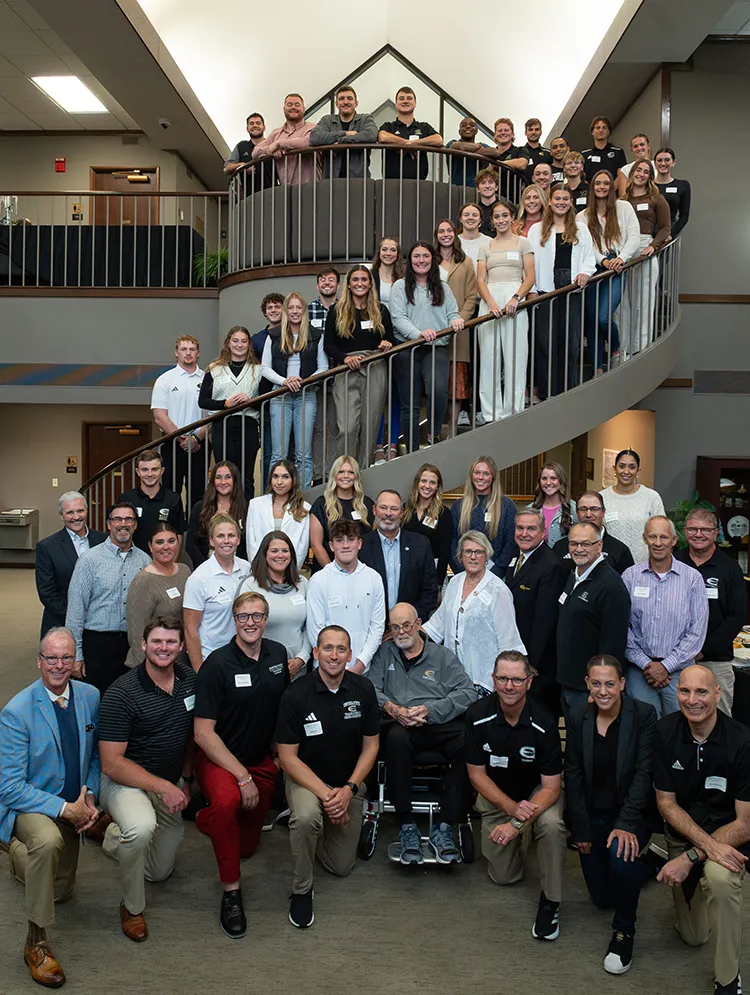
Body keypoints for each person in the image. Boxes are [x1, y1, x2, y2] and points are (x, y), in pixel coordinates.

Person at [0, 627, 100, 988]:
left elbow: (95, 757)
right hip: (30, 804)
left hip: (74, 801)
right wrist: (64, 809)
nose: (59, 665)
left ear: (75, 661)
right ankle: (35, 942)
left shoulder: (90, 695)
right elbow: (9, 787)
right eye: (51, 658)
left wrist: (89, 796)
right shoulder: (16, 712)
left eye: (66, 658)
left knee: (62, 892)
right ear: (39, 661)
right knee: (47, 842)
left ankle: (14, 856)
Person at [194, 592, 289, 937]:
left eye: (257, 616)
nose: (250, 622)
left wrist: (278, 758)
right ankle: (231, 894)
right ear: (234, 620)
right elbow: (203, 734)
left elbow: (283, 711)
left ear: (266, 619)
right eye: (243, 616)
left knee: (246, 847)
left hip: (261, 760)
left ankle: (205, 817)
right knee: (228, 802)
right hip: (220, 760)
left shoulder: (278, 655)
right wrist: (242, 776)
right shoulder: (217, 665)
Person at [654, 665, 750, 995]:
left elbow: (745, 823)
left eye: (702, 692)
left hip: (728, 840)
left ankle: (727, 979)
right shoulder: (665, 732)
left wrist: (693, 856)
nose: (692, 700)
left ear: (718, 694)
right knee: (694, 937)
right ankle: (698, 898)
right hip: (684, 839)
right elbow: (666, 803)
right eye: (685, 691)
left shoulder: (742, 741)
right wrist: (692, 852)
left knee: (721, 881)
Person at [98, 616, 195, 942]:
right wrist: (164, 787)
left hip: (168, 780)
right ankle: (131, 907)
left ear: (181, 647)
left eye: (171, 642)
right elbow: (111, 764)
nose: (163, 648)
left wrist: (185, 779)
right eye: (156, 641)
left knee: (158, 872)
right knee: (140, 829)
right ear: (143, 645)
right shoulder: (121, 693)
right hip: (125, 782)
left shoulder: (189, 681)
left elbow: (191, 735)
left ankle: (111, 833)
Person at [276, 625, 380, 928]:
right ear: (315, 653)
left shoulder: (364, 689)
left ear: (350, 655)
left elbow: (372, 746)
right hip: (306, 781)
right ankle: (302, 890)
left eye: (341, 649)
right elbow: (287, 758)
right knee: (307, 818)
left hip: (348, 784)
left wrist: (348, 790)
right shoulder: (295, 694)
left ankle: (307, 829)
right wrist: (327, 796)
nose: (334, 655)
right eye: (327, 648)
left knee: (341, 866)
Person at [565, 655, 658, 975]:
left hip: (631, 815)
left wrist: (625, 825)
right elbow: (573, 775)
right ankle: (646, 867)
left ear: (622, 684)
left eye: (610, 683)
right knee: (603, 898)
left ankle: (624, 932)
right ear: (587, 685)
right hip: (593, 816)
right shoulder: (578, 716)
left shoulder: (643, 715)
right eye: (596, 683)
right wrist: (581, 830)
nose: (603, 690)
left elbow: (644, 774)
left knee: (621, 857)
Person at [465, 650, 566, 941]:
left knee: (551, 825)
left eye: (517, 680)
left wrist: (516, 824)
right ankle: (526, 839)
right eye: (503, 679)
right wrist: (511, 811)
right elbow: (476, 775)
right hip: (499, 797)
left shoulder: (544, 721)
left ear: (529, 682)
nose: (510, 686)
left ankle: (551, 902)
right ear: (493, 680)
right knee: (503, 877)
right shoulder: (476, 715)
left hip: (537, 795)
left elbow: (551, 788)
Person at [368, 602, 475, 864]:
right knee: (394, 740)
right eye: (395, 627)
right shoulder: (384, 654)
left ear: (418, 625)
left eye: (406, 625)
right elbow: (370, 689)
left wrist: (429, 710)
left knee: (468, 742)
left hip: (436, 723)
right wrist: (393, 709)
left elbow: (467, 692)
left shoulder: (442, 656)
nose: (402, 631)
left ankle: (446, 826)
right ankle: (406, 825)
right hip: (400, 725)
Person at [622, 515, 709, 717]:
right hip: (639, 671)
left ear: (674, 540)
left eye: (664, 537)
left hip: (680, 671)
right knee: (645, 730)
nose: (658, 543)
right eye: (652, 537)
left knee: (680, 729)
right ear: (644, 538)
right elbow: (621, 626)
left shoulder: (692, 579)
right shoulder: (629, 577)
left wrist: (665, 666)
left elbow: (697, 631)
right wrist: (646, 664)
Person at [424, 530, 525, 695]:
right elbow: (439, 622)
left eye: (479, 552)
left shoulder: (498, 590)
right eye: (468, 552)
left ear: (487, 556)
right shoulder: (455, 582)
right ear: (461, 556)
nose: (473, 557)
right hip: (452, 677)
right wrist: (410, 632)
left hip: (483, 679)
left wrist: (505, 680)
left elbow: (508, 639)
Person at [65, 502, 150, 693]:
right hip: (97, 645)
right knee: (96, 701)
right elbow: (76, 610)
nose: (123, 524)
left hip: (132, 645)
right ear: (108, 524)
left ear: (135, 524)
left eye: (129, 519)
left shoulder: (145, 561)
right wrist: (76, 655)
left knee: (129, 700)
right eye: (117, 519)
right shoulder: (89, 560)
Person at [389, 241, 464, 451]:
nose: (421, 260)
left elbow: (452, 313)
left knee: (439, 390)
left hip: (436, 348)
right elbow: (398, 318)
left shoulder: (443, 287)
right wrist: (418, 334)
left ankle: (433, 434)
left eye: (425, 256)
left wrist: (456, 320)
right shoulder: (399, 286)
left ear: (433, 259)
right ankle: (412, 450)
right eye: (416, 256)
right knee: (410, 405)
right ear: (409, 260)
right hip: (407, 349)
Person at [556, 521, 631, 717]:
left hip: (589, 690)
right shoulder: (575, 575)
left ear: (599, 546)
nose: (578, 549)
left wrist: (598, 689)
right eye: (573, 544)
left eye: (585, 544)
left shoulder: (611, 586)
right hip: (569, 683)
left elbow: (613, 643)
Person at [528, 184, 596, 399]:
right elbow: (529, 262)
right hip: (545, 290)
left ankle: (569, 393)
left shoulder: (581, 228)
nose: (561, 202)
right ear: (549, 201)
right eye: (557, 198)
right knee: (546, 343)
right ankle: (548, 394)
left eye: (565, 199)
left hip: (572, 289)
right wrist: (531, 290)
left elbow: (589, 258)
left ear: (571, 202)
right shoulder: (536, 229)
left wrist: (584, 273)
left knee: (570, 342)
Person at [676, 509, 746, 715]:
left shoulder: (730, 568)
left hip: (715, 660)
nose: (698, 534)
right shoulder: (674, 561)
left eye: (705, 530)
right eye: (693, 529)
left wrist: (702, 649)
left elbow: (737, 616)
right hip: (675, 658)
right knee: (677, 720)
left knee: (719, 718)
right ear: (684, 531)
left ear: (716, 533)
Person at [324, 266, 395, 467]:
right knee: (347, 428)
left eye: (364, 279)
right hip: (346, 370)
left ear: (370, 283)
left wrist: (387, 345)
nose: (360, 283)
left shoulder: (381, 310)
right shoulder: (336, 310)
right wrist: (345, 358)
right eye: (355, 279)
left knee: (369, 427)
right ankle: (343, 473)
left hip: (375, 367)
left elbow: (390, 340)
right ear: (348, 284)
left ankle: (363, 477)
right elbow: (328, 344)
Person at [504, 509, 568, 716]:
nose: (524, 533)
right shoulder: (516, 555)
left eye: (531, 529)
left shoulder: (551, 565)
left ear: (543, 533)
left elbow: (545, 619)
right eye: (520, 528)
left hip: (535, 664)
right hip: (514, 652)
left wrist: (532, 662)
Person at [261, 292, 328, 489]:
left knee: (303, 454)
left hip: (306, 396)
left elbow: (323, 367)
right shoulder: (272, 336)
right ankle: (275, 495)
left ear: (304, 311)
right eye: (291, 308)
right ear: (285, 311)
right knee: (278, 453)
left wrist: (302, 382)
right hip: (279, 396)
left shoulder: (316, 336)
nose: (295, 311)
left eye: (299, 307)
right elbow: (264, 367)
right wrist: (285, 381)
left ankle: (303, 496)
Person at [476, 200, 535, 421]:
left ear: (512, 218)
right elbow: (480, 280)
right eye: (496, 217)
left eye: (504, 216)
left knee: (516, 355)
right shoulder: (485, 247)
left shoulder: (523, 243)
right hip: (489, 300)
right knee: (489, 357)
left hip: (514, 298)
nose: (500, 220)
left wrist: (516, 298)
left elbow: (530, 276)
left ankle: (513, 411)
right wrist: (490, 302)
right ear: (492, 221)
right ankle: (491, 413)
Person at [578, 170, 640, 375]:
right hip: (594, 270)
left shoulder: (624, 207)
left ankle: (614, 348)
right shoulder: (582, 216)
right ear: (592, 187)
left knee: (604, 317)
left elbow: (634, 237)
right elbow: (586, 246)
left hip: (617, 268)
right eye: (598, 183)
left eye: (606, 183)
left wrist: (621, 258)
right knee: (592, 319)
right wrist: (603, 260)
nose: (602, 187)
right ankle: (597, 368)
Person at [306, 519, 385, 674]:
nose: (346, 545)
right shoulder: (319, 580)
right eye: (339, 540)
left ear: (359, 544)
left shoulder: (373, 578)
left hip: (363, 669)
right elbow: (315, 629)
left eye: (351, 540)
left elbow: (377, 627)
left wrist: (361, 663)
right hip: (326, 669)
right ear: (331, 546)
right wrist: (335, 663)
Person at [199, 325, 262, 499]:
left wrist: (250, 402)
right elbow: (202, 401)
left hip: (248, 424)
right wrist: (226, 403)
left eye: (244, 341)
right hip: (222, 424)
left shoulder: (257, 370)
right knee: (224, 473)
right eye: (235, 341)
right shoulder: (215, 369)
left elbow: (265, 402)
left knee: (246, 475)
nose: (239, 345)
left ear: (249, 344)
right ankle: (224, 512)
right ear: (228, 343)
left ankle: (246, 517)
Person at [183, 513, 251, 671]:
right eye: (220, 536)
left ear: (238, 540)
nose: (226, 541)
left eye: (231, 535)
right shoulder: (199, 578)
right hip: (212, 659)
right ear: (211, 541)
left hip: (245, 656)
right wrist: (200, 671)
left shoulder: (247, 569)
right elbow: (190, 630)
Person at [238, 532, 311, 679]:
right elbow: (244, 627)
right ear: (264, 554)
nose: (280, 555)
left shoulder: (303, 583)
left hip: (297, 668)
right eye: (274, 551)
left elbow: (310, 626)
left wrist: (302, 658)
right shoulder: (251, 585)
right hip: (261, 667)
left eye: (285, 551)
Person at [360, 489, 438, 621]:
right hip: (370, 626)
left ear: (402, 512)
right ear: (374, 510)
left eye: (394, 509)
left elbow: (429, 591)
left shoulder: (420, 544)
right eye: (383, 508)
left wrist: (406, 623)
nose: (388, 514)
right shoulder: (361, 546)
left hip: (410, 629)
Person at [35, 491, 106, 637]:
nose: (76, 517)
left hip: (101, 621)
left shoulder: (104, 540)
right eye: (69, 512)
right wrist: (75, 616)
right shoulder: (47, 547)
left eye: (80, 511)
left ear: (87, 511)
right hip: (62, 619)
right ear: (61, 516)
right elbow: (47, 592)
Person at [151, 335, 208, 507]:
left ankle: (195, 533)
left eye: (192, 349)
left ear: (198, 353)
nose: (188, 353)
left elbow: (214, 415)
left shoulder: (208, 379)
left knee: (199, 495)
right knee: (170, 492)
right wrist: (183, 439)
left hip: (201, 443)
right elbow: (159, 416)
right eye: (184, 349)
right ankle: (170, 533)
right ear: (176, 353)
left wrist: (196, 438)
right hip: (172, 444)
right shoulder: (165, 380)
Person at [621, 160, 671, 356]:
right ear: (632, 172)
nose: (641, 174)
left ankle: (640, 349)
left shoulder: (656, 199)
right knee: (625, 302)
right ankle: (625, 349)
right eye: (638, 170)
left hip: (645, 248)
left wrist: (653, 246)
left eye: (646, 172)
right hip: (625, 250)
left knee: (645, 300)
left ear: (650, 177)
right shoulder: (623, 200)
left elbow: (666, 227)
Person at [125, 523, 191, 668]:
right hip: (152, 664)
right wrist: (146, 671)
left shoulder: (185, 572)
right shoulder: (143, 581)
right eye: (159, 542)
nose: (166, 547)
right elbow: (136, 634)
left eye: (171, 541)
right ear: (150, 546)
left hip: (180, 661)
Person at [435, 218, 477, 429]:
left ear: (455, 233)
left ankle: (452, 427)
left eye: (449, 230)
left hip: (459, 327)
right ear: (436, 235)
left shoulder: (466, 261)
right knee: (437, 378)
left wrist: (461, 318)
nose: (445, 234)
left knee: (457, 378)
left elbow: (472, 296)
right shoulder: (429, 260)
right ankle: (437, 426)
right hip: (434, 326)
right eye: (441, 231)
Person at [450, 455, 517, 576]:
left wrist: (497, 571)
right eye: (477, 473)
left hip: (497, 575)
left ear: (493, 477)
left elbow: (510, 543)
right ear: (471, 476)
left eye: (486, 474)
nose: (480, 477)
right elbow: (453, 541)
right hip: (465, 574)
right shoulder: (458, 506)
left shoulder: (506, 506)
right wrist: (462, 571)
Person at [309, 454, 374, 572]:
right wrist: (335, 573)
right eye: (341, 472)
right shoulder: (321, 504)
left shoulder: (366, 505)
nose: (346, 476)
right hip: (328, 572)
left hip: (360, 572)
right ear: (334, 475)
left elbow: (373, 542)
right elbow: (316, 545)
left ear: (356, 476)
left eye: (351, 472)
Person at [370, 237, 404, 463]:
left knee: (396, 395)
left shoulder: (403, 277)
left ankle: (393, 444)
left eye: (393, 250)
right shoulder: (370, 277)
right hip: (377, 339)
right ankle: (377, 445)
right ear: (379, 252)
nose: (388, 253)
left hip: (401, 339)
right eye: (385, 249)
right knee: (377, 395)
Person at [601, 449, 666, 562]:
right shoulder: (602, 497)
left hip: (644, 565)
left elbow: (662, 532)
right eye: (622, 466)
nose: (626, 471)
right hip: (611, 565)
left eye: (632, 467)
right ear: (614, 468)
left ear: (638, 470)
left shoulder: (651, 497)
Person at [245, 459, 310, 571]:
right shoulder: (255, 504)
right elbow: (251, 542)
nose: (279, 482)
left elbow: (302, 546)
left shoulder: (304, 508)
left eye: (285, 477)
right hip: (260, 570)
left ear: (293, 480)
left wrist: (291, 572)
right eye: (275, 476)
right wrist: (258, 568)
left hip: (290, 571)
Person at [118, 448, 186, 553]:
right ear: (138, 472)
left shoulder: (173, 498)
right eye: (144, 470)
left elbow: (179, 534)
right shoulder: (126, 499)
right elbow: (120, 530)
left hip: (163, 558)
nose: (150, 474)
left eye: (154, 469)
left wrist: (171, 562)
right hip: (132, 559)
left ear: (162, 471)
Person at [553, 489, 635, 575]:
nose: (588, 514)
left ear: (603, 512)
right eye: (583, 509)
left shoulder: (620, 550)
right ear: (577, 513)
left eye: (594, 509)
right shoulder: (560, 547)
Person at [308, 268, 341, 481]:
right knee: (317, 429)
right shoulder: (307, 310)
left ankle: (333, 474)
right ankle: (318, 475)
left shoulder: (345, 308)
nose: (326, 283)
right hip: (315, 379)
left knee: (337, 428)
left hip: (340, 376)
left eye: (331, 280)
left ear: (338, 285)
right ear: (317, 285)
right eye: (322, 280)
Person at [186, 460, 248, 568]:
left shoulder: (245, 509)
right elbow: (190, 544)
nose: (223, 482)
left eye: (228, 477)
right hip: (205, 567)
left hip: (237, 568)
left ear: (235, 480)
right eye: (218, 477)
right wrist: (205, 566)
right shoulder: (200, 508)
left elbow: (248, 543)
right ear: (213, 481)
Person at [402, 463, 453, 585]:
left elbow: (445, 552)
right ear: (417, 483)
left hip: (432, 571)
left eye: (432, 482)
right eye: (423, 481)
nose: (427, 486)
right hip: (406, 569)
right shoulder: (405, 509)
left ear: (437, 487)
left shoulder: (443, 513)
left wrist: (438, 584)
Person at [310, 86, 377, 178]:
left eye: (350, 98)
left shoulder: (365, 119)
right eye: (341, 99)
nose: (345, 102)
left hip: (359, 182)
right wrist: (344, 133)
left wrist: (342, 141)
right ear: (336, 103)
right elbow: (314, 137)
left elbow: (371, 134)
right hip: (331, 182)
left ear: (356, 103)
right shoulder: (327, 120)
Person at [253, 292, 284, 488]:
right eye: (270, 307)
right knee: (269, 452)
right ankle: (267, 491)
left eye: (277, 306)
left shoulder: (294, 334)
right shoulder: (257, 339)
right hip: (265, 403)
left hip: (291, 398)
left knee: (289, 451)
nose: (273, 310)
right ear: (265, 312)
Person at [378, 87, 442, 181]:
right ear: (396, 103)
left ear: (415, 103)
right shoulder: (389, 126)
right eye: (401, 98)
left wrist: (413, 144)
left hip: (419, 185)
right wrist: (406, 143)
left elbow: (438, 140)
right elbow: (382, 137)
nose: (405, 101)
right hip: (391, 184)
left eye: (409, 98)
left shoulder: (423, 127)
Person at [251, 93, 316, 186]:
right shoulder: (276, 133)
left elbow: (307, 142)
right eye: (289, 105)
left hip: (311, 190)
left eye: (297, 105)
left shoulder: (313, 127)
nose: (293, 107)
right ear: (284, 109)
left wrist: (278, 144)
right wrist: (270, 150)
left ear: (304, 109)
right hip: (286, 192)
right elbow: (255, 152)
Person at [223, 112, 276, 190]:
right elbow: (226, 169)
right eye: (251, 123)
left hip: (273, 193)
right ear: (247, 129)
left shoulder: (272, 145)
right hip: (249, 197)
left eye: (258, 123)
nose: (255, 125)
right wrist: (243, 165)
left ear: (264, 127)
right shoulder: (241, 146)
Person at [529, 461, 577, 545]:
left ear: (561, 481)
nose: (548, 482)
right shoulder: (530, 510)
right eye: (544, 478)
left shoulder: (574, 508)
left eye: (553, 478)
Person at [485, 117, 529, 200]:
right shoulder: (489, 153)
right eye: (500, 130)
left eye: (506, 130)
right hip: (491, 200)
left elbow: (522, 164)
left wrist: (497, 164)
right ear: (495, 135)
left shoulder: (520, 150)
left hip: (513, 200)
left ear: (512, 134)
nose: (503, 133)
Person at [654, 147, 691, 238]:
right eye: (659, 160)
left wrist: (671, 235)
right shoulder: (648, 186)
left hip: (669, 233)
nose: (663, 163)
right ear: (655, 164)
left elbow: (684, 216)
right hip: (648, 233)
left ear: (673, 163)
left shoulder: (682, 185)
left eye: (667, 160)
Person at [446, 116, 492, 187]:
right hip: (454, 188)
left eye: (472, 125)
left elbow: (495, 152)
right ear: (459, 131)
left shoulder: (483, 145)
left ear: (476, 130)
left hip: (477, 189)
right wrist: (478, 147)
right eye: (464, 125)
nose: (468, 126)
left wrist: (471, 149)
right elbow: (460, 147)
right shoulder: (452, 143)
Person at [582, 116, 627, 181]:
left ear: (608, 132)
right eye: (598, 128)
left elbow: (621, 175)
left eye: (604, 128)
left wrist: (611, 189)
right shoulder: (584, 155)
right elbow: (581, 177)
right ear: (592, 132)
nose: (601, 130)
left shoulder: (618, 152)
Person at [457, 201, 492, 268]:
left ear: (480, 219)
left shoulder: (490, 242)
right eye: (466, 215)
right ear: (461, 219)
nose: (470, 217)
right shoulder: (454, 242)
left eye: (475, 215)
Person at [521, 117, 552, 183]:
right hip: (525, 191)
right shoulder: (519, 153)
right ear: (525, 132)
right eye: (530, 130)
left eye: (537, 129)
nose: (533, 132)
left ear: (540, 132)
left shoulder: (548, 153)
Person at [475, 167, 500, 236]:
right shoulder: (474, 211)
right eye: (483, 183)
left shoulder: (505, 209)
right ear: (478, 189)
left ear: (496, 187)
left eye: (490, 182)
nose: (487, 186)